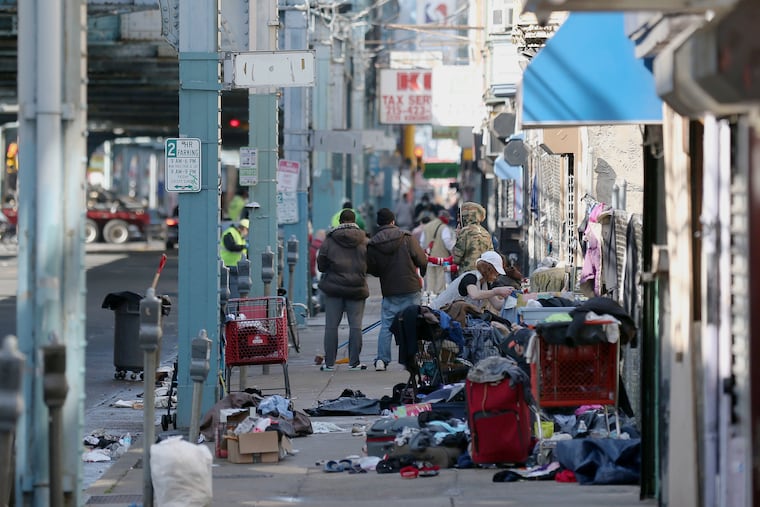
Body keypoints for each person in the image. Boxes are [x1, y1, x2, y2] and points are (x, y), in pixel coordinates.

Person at [367, 208, 428, 371]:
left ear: (378, 223)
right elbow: (421, 258)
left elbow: (371, 268)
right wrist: (423, 271)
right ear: (393, 221)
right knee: (412, 323)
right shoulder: (406, 238)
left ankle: (382, 360)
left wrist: (383, 273)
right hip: (410, 287)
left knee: (387, 325)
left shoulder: (373, 243)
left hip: (390, 289)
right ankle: (413, 358)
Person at [317, 209, 369, 371]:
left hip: (334, 288)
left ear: (340, 221)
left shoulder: (330, 240)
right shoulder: (364, 240)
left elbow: (321, 264)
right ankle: (354, 363)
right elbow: (372, 262)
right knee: (355, 327)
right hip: (357, 288)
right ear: (355, 221)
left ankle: (330, 363)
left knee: (331, 326)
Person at [430, 250, 514, 312]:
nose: (497, 275)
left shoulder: (485, 283)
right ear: (488, 269)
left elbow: (497, 305)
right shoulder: (470, 277)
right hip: (439, 313)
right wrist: (496, 291)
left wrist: (511, 298)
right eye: (496, 272)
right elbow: (475, 295)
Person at [419, 209, 456, 295]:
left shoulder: (427, 226)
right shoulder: (444, 228)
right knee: (440, 285)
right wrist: (453, 252)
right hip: (442, 259)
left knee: (430, 282)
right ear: (445, 218)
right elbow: (447, 242)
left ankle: (429, 299)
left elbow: (422, 243)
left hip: (429, 259)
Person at [451, 201, 494, 273]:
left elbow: (455, 259)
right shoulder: (486, 233)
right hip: (483, 275)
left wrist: (457, 237)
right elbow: (491, 256)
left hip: (468, 275)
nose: (458, 220)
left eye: (460, 216)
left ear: (466, 216)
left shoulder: (465, 232)